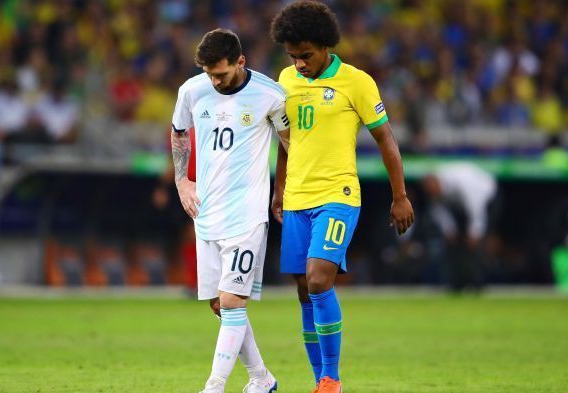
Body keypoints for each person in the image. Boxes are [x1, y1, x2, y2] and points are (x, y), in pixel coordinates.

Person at [270, 2, 415, 392]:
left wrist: (399, 196)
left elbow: (386, 139)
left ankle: (332, 377)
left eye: (306, 56)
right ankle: (321, 382)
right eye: (293, 57)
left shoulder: (357, 82)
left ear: (325, 46)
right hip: (297, 198)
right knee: (303, 289)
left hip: (338, 194)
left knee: (319, 281)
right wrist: (280, 187)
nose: (299, 64)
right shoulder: (284, 80)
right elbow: (285, 141)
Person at [171, 28, 289, 393]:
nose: (214, 81)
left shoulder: (270, 95)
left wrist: (282, 188)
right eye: (208, 73)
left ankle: (214, 386)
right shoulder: (191, 91)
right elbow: (179, 132)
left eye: (220, 74)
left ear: (241, 61)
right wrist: (181, 181)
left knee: (232, 301)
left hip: (247, 215)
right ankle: (261, 378)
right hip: (206, 213)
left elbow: (290, 143)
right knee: (219, 306)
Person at [421, 162, 498, 292]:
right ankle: (457, 284)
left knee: (475, 245)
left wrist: (475, 233)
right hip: (459, 208)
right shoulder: (434, 192)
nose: (431, 193)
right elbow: (439, 210)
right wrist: (449, 230)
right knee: (453, 244)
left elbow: (476, 208)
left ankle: (476, 284)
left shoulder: (462, 183)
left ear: (437, 183)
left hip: (487, 200)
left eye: (432, 190)